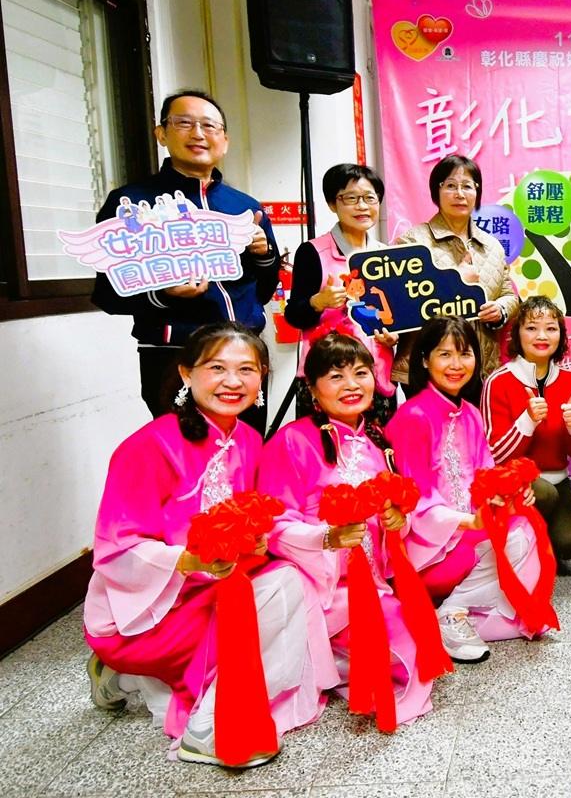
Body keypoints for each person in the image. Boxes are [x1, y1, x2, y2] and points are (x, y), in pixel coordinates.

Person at [83, 323, 333, 767]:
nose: (232, 381)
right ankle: (207, 727)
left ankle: (135, 682)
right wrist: (190, 559)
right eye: (217, 368)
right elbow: (116, 550)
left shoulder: (250, 441)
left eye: (246, 370)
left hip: (217, 589)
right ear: (186, 373)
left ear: (262, 378)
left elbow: (263, 520)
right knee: (275, 592)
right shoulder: (148, 447)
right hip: (152, 607)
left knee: (292, 580)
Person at [257, 333, 435, 725]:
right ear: (313, 388)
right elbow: (274, 526)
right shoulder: (292, 442)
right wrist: (327, 537)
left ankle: (334, 660)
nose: (352, 385)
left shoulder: (377, 441)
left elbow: (394, 521)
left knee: (417, 654)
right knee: (395, 656)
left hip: (371, 585)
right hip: (320, 588)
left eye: (360, 373)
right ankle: (321, 654)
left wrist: (397, 520)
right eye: (336, 376)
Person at [91, 90, 280, 432]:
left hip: (244, 353)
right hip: (175, 353)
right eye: (184, 123)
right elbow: (107, 294)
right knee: (185, 454)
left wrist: (264, 256)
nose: (198, 133)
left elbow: (264, 292)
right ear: (161, 133)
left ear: (224, 141)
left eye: (209, 126)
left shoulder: (245, 207)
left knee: (248, 449)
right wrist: (162, 294)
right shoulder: (130, 205)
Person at [385, 316, 543, 663]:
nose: (456, 365)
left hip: (469, 533)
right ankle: (455, 611)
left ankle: (454, 610)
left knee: (525, 526)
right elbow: (417, 500)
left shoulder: (470, 413)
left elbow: (485, 478)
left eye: (465, 354)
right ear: (424, 360)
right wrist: (469, 522)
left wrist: (510, 494)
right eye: (445, 355)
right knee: (511, 543)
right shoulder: (413, 416)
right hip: (430, 550)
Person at [481, 296, 571, 575]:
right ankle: (520, 545)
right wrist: (527, 421)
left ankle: (539, 543)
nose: (542, 336)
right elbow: (494, 454)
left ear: (561, 335)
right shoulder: (498, 381)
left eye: (551, 328)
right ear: (517, 334)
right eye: (532, 328)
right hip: (515, 484)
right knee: (543, 492)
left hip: (559, 483)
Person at [283, 164, 402, 418]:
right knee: (324, 441)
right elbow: (294, 315)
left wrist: (394, 337)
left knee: (377, 442)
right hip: (327, 375)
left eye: (370, 198)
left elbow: (394, 316)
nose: (362, 206)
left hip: (375, 375)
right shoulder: (313, 251)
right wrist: (318, 302)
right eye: (351, 198)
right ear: (332, 204)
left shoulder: (386, 255)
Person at [392, 155, 519, 391]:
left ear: (477, 192)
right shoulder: (413, 241)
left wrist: (501, 309)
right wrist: (456, 281)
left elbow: (508, 294)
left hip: (479, 366)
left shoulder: (492, 246)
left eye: (467, 186)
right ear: (436, 191)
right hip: (426, 368)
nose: (460, 194)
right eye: (450, 185)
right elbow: (402, 305)